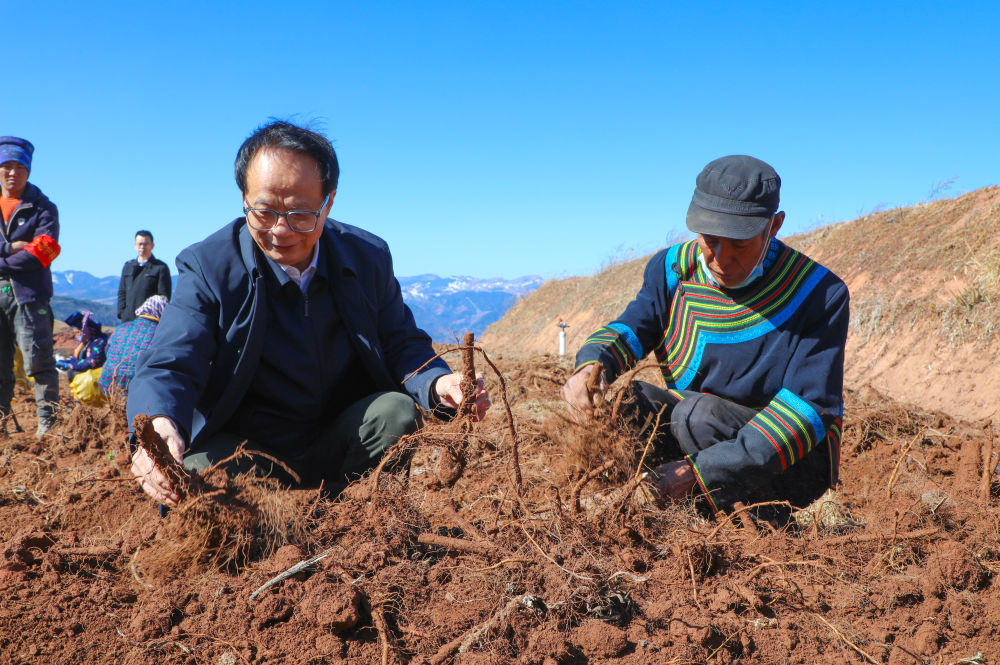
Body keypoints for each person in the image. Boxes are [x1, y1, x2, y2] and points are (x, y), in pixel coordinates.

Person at [127, 120, 490, 507]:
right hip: (249, 452)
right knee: (197, 472)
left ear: (328, 202)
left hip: (341, 442)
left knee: (396, 413)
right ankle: (272, 522)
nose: (281, 231)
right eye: (264, 212)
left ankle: (362, 514)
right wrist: (160, 423)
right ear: (244, 199)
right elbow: (173, 358)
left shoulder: (366, 258)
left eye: (301, 214)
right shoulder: (210, 267)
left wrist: (437, 383)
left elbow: (400, 341)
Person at [563, 155, 849, 516]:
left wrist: (700, 473)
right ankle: (630, 508)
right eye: (710, 240)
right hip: (693, 438)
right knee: (628, 404)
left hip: (786, 463)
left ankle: (751, 521)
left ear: (773, 226)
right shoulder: (672, 270)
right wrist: (591, 368)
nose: (721, 259)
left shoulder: (819, 294)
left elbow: (807, 411)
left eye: (740, 244)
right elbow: (633, 327)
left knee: (697, 415)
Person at [0, 137, 61, 438]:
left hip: (29, 296)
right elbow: (28, 251)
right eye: (7, 166)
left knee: (39, 360)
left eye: (20, 167)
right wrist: (9, 248)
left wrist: (2, 263)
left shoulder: (43, 208)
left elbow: (44, 250)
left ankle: (48, 425)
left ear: (29, 171)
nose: (13, 173)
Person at [100, 295, 167, 397]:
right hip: (136, 389)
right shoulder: (160, 334)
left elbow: (107, 351)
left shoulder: (121, 328)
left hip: (108, 383)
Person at [117, 230, 171, 322]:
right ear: (135, 245)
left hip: (148, 322)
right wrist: (122, 313)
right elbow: (122, 292)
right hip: (127, 320)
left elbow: (164, 297)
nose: (142, 247)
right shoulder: (128, 267)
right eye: (140, 244)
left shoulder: (160, 268)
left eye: (145, 244)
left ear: (152, 246)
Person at [57, 310, 109, 376]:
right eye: (75, 333)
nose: (76, 336)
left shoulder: (98, 343)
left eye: (78, 332)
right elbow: (76, 361)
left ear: (87, 330)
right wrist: (65, 362)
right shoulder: (84, 344)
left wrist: (71, 365)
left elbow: (91, 362)